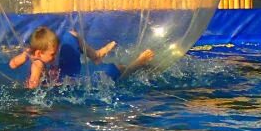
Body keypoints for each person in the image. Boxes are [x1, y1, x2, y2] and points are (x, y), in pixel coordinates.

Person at [9, 26, 154, 88]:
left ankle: (96, 55)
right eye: (52, 54)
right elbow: (33, 84)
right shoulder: (38, 64)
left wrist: (21, 58)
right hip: (64, 82)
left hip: (62, 72)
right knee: (114, 69)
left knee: (71, 34)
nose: (55, 57)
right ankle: (137, 64)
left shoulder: (30, 52)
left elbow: (12, 64)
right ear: (39, 53)